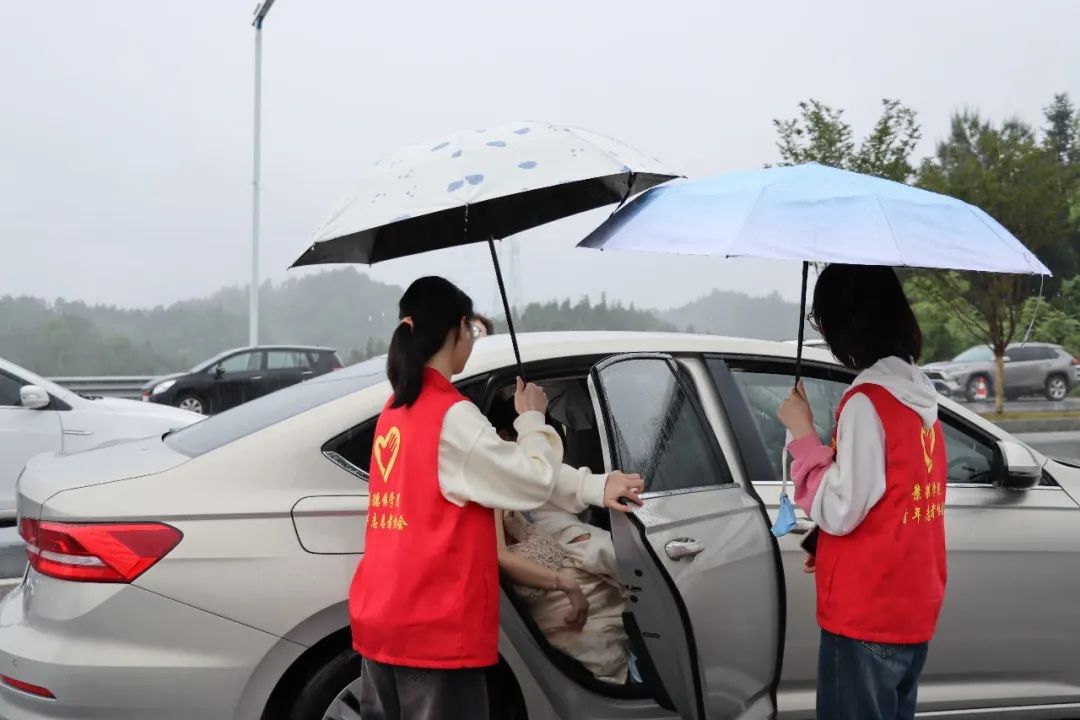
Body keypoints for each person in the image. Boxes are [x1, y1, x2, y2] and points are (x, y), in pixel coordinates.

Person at [349, 276, 645, 720]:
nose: (472, 339)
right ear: (458, 328)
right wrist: (532, 419)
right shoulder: (451, 415)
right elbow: (529, 479)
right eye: (471, 329)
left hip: (384, 614)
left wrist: (593, 487)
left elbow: (497, 470)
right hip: (432, 625)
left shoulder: (397, 410)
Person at [778, 264, 947, 720]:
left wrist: (802, 434)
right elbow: (892, 497)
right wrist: (826, 543)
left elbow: (840, 509)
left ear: (848, 322)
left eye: (823, 321)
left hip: (866, 612)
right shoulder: (919, 394)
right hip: (912, 606)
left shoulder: (867, 401)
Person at [488, 397, 639, 685]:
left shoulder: (514, 492)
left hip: (577, 614)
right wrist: (531, 419)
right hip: (568, 613)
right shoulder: (495, 483)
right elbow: (539, 476)